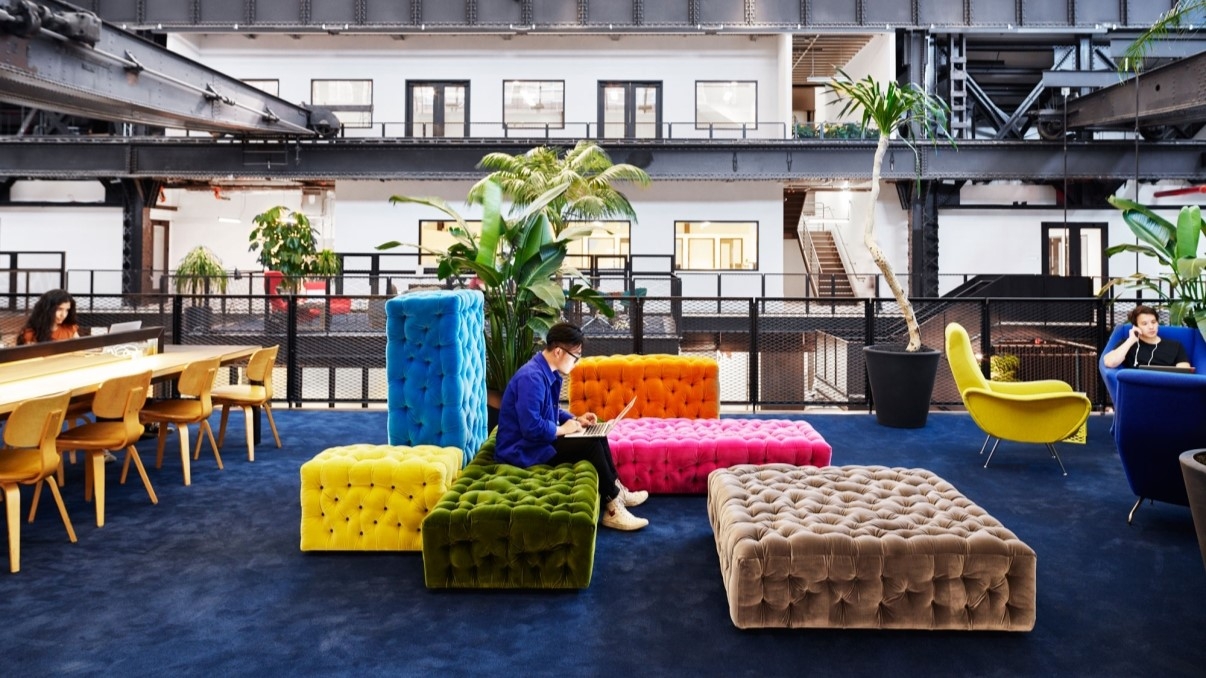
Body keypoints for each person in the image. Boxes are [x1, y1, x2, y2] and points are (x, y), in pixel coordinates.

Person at [495, 322, 650, 531]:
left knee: (597, 434)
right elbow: (531, 428)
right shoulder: (531, 378)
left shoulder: (546, 372)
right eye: (576, 356)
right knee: (590, 445)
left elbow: (550, 411)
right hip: (522, 449)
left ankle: (617, 491)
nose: (577, 362)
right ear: (559, 351)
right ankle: (612, 509)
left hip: (536, 440)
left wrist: (577, 420)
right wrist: (564, 429)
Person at [1102, 304, 1192, 369]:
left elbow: (1184, 373)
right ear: (1136, 327)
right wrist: (1130, 341)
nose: (1151, 327)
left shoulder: (1175, 346)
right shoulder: (1127, 345)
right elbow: (1110, 362)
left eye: (1153, 322)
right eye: (1144, 324)